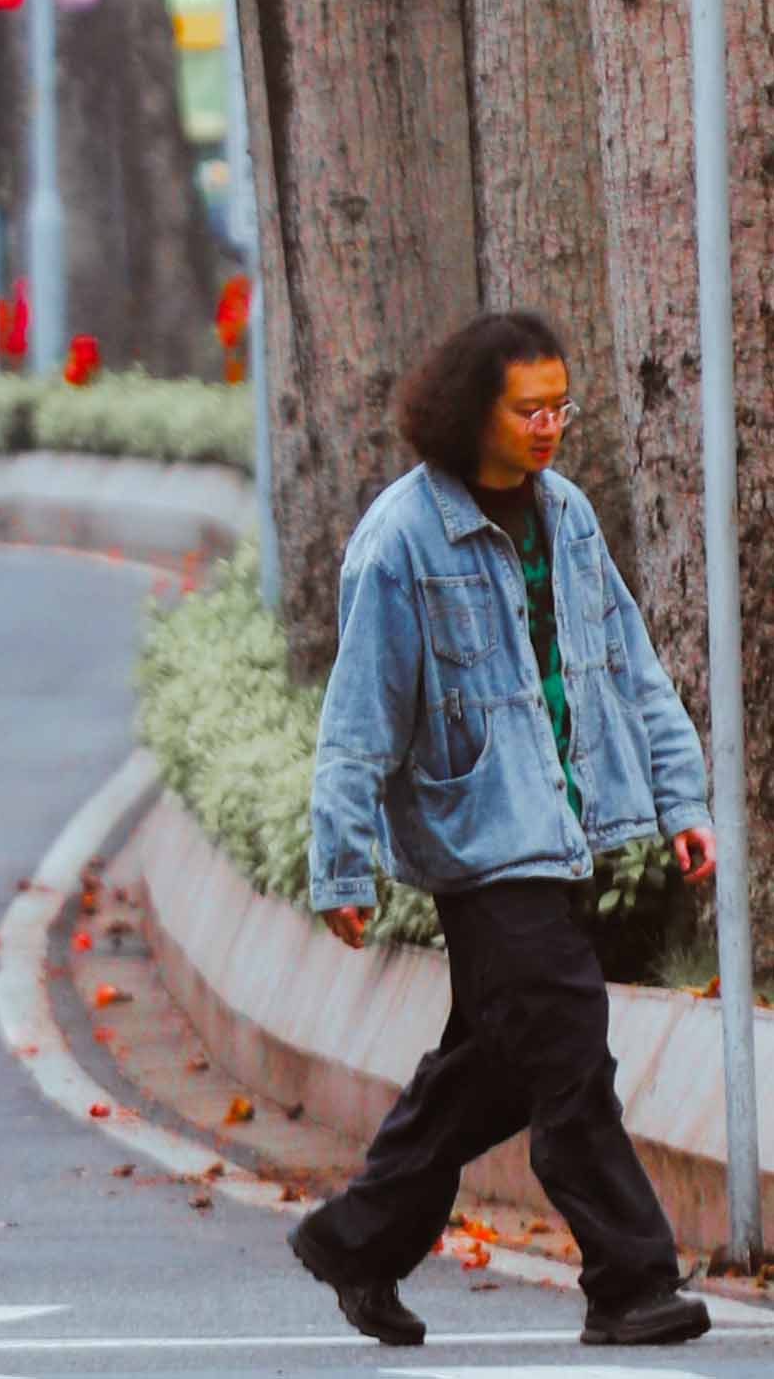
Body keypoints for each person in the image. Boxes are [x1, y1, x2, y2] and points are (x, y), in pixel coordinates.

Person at [292, 308, 716, 1354]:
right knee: (568, 1051)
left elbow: (629, 662)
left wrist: (682, 801)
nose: (547, 426)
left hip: (564, 829)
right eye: (527, 408)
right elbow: (357, 719)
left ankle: (358, 1238)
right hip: (479, 844)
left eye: (559, 406)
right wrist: (340, 862)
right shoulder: (399, 540)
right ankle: (629, 1280)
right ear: (469, 410)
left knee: (496, 1059)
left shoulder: (565, 515)